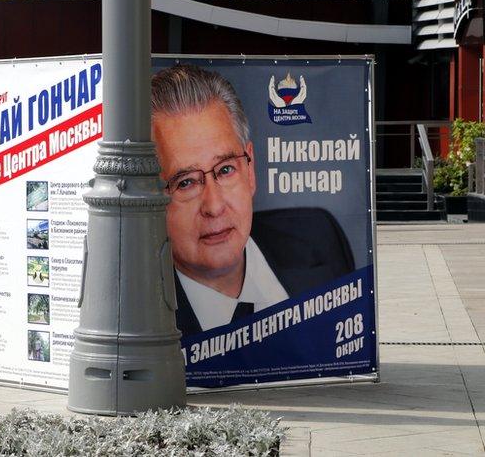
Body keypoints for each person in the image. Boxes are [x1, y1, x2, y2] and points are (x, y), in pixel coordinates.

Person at [151, 65, 354, 338]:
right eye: (185, 182)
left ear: (250, 169)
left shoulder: (318, 237)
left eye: (225, 169)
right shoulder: (139, 315)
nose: (214, 206)